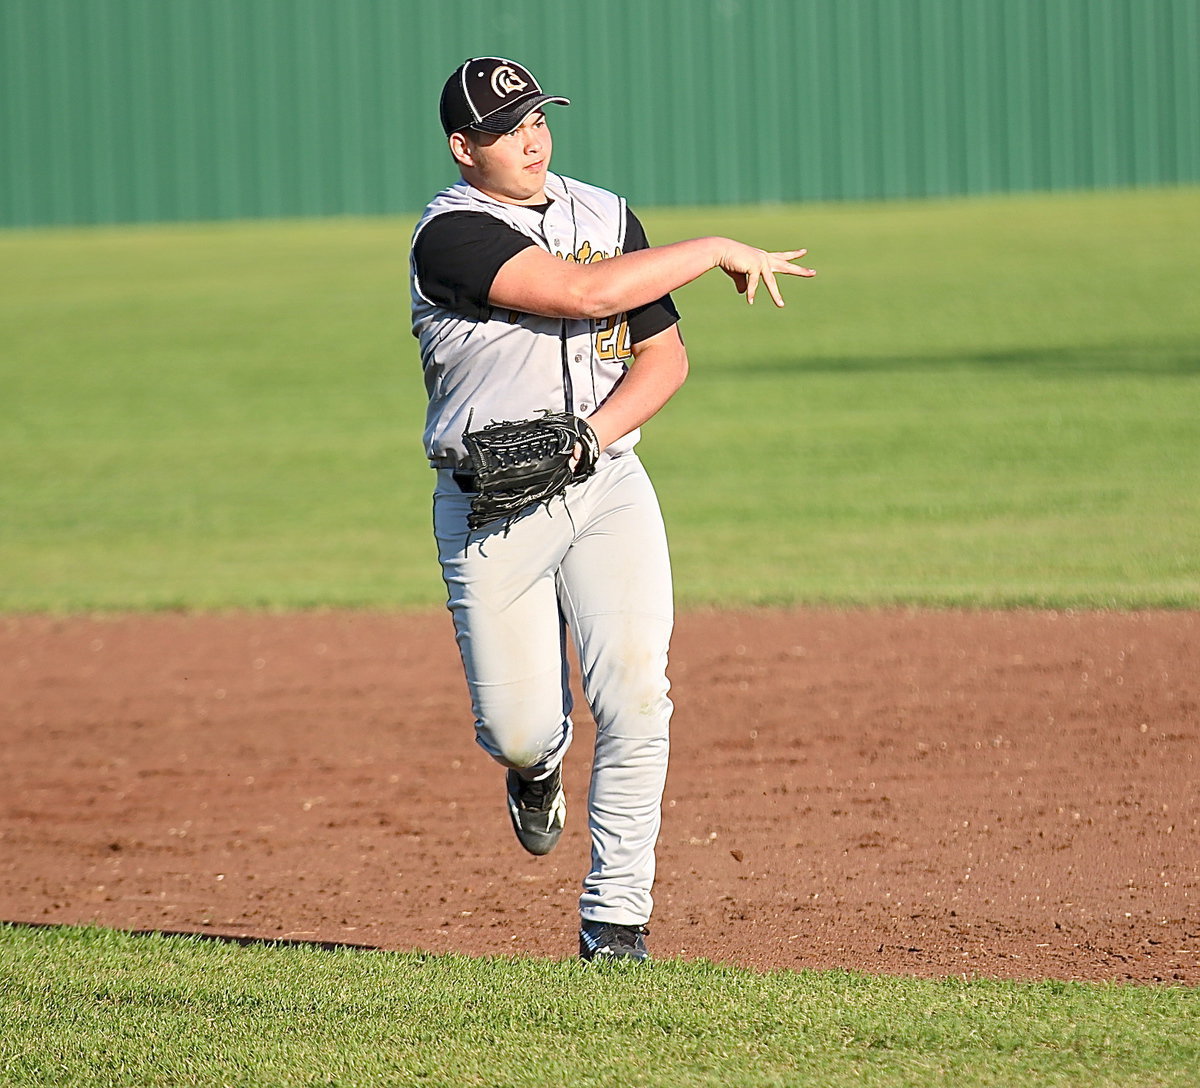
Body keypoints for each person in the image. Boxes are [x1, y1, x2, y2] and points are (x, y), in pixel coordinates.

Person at [409, 57, 814, 962]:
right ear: (463, 147)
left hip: (605, 488)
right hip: (492, 509)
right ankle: (536, 767)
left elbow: (662, 360)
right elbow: (584, 293)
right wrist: (713, 248)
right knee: (518, 729)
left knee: (637, 696)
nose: (535, 136)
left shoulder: (606, 213)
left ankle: (615, 922)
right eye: (511, 126)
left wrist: (591, 440)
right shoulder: (451, 235)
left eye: (540, 117)